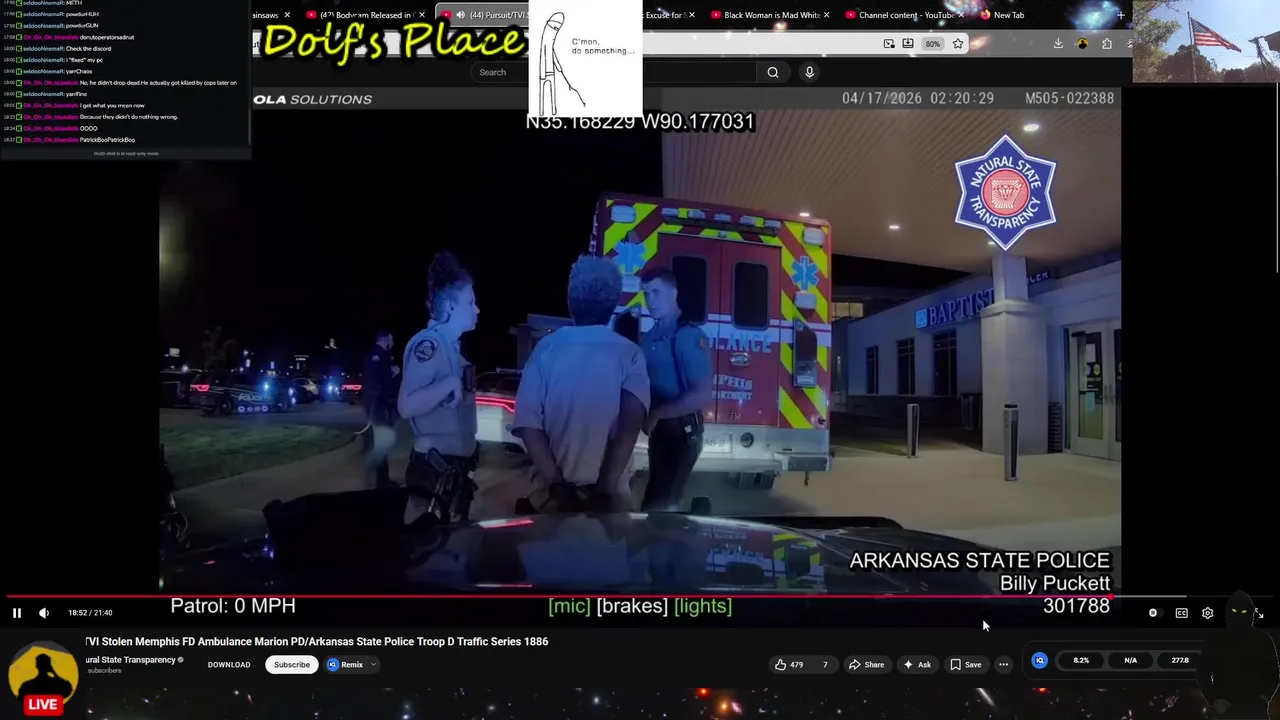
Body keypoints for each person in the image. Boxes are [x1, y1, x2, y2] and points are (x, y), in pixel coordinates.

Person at [512, 255, 649, 512]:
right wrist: (604, 492)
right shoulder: (630, 354)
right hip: (610, 504)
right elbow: (628, 428)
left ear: (571, 300)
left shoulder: (545, 349)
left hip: (551, 500)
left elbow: (528, 426)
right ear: (612, 302)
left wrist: (558, 487)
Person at [397, 252, 481, 522]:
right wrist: (448, 384)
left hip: (453, 476)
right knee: (428, 545)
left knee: (452, 546)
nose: (477, 309)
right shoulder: (429, 345)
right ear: (450, 307)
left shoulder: (451, 348)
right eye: (471, 302)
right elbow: (406, 405)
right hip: (434, 477)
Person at [636, 267, 714, 511]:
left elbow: (702, 394)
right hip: (659, 434)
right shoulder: (649, 338)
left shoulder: (688, 336)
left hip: (682, 433)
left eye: (656, 292)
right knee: (662, 502)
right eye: (646, 294)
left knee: (659, 506)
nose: (650, 300)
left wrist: (657, 414)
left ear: (673, 293)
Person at [1199, 590, 1279, 718]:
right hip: (1225, 709)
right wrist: (1214, 700)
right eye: (1235, 611)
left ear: (1251, 613)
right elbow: (1203, 673)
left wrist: (1264, 697)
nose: (1240, 617)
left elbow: (1273, 674)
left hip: (1255, 708)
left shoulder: (1263, 640)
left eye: (1244, 612)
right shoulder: (1215, 640)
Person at [361, 331, 399, 488]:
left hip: (378, 404)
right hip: (379, 404)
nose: (393, 343)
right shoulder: (378, 356)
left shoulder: (379, 355)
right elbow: (380, 380)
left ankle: (382, 478)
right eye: (391, 340)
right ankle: (380, 480)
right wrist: (394, 372)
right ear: (385, 340)